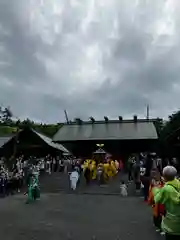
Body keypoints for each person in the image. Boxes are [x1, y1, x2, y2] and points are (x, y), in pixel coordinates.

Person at [152, 166, 180, 239]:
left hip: (171, 225)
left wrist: (155, 187)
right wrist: (167, 182)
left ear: (164, 176)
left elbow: (157, 199)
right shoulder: (178, 183)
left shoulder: (166, 189)